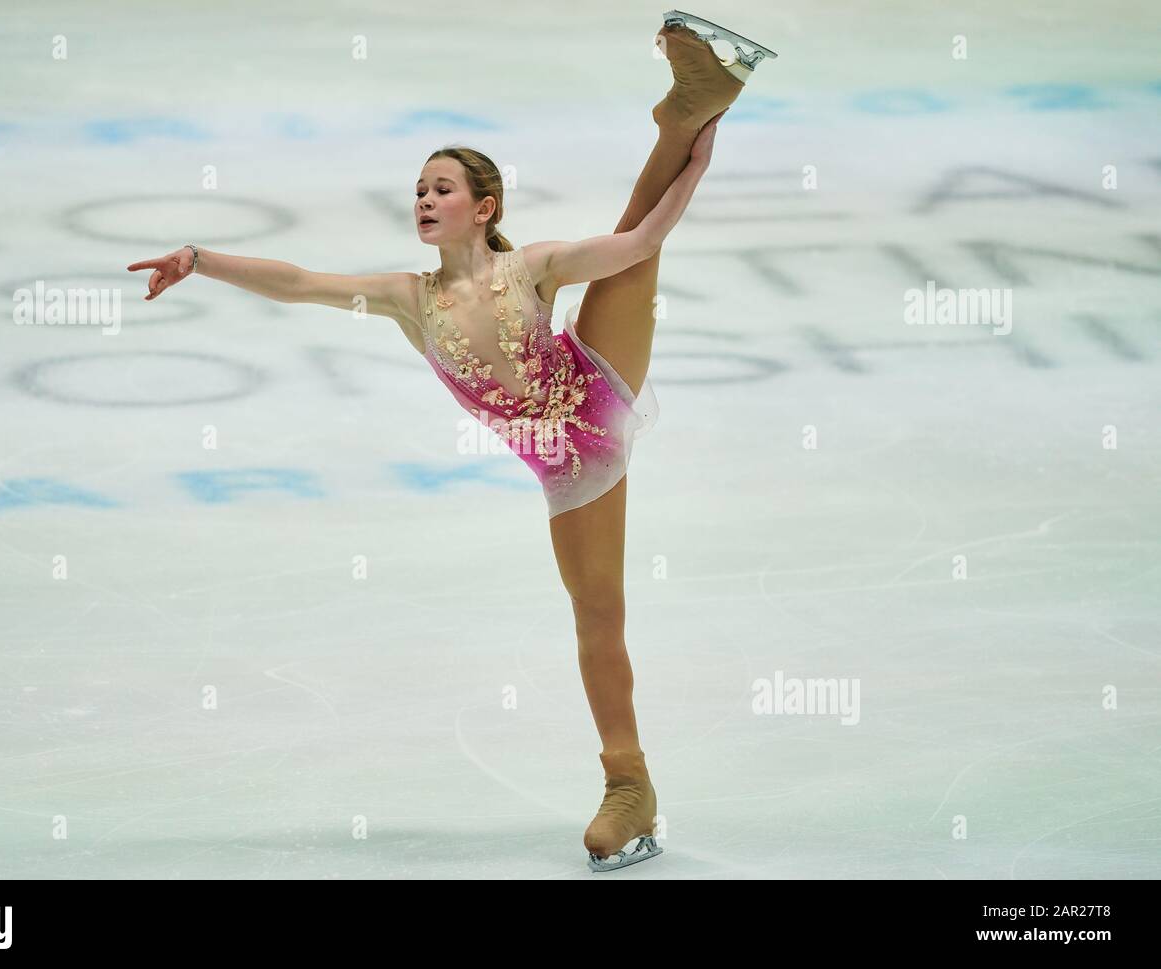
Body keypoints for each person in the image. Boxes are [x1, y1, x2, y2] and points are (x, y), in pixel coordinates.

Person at [129, 14, 763, 872]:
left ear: (484, 207)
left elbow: (644, 239)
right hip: (568, 470)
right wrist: (200, 258)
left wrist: (698, 158)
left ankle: (690, 107)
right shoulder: (407, 298)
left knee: (631, 258)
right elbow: (300, 283)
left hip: (597, 387)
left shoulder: (531, 266)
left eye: (442, 188)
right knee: (598, 616)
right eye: (419, 189)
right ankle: (631, 784)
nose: (424, 199)